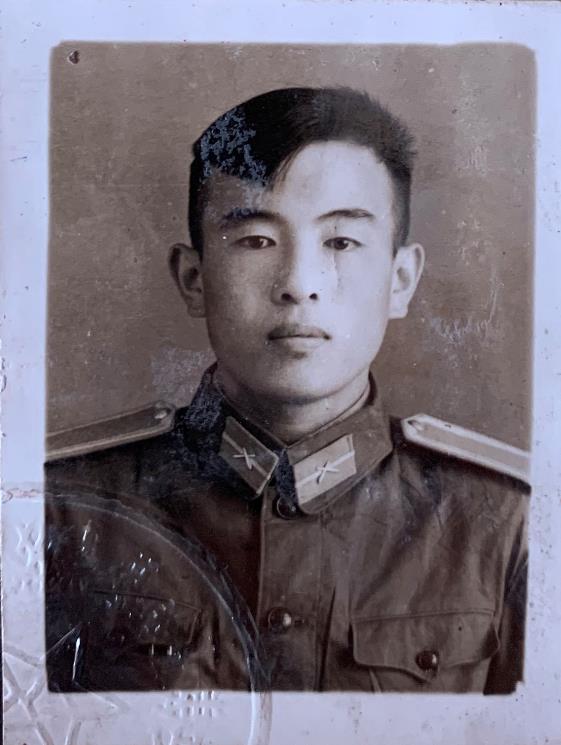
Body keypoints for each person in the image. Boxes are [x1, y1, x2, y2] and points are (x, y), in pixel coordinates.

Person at [44, 86, 530, 694]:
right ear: (194, 279)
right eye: (256, 240)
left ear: (401, 280)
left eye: (341, 242)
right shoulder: (59, 504)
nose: (300, 284)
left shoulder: (505, 521)